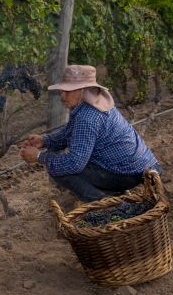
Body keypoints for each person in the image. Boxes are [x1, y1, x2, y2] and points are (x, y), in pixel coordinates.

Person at [20, 65, 163, 203]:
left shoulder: (87, 117)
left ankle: (106, 206)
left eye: (68, 91)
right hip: (141, 167)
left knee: (59, 168)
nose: (63, 95)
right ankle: (114, 193)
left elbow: (74, 163)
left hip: (127, 173)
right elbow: (71, 131)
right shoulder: (93, 104)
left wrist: (39, 157)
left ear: (83, 91)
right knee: (77, 157)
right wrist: (45, 141)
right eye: (63, 90)